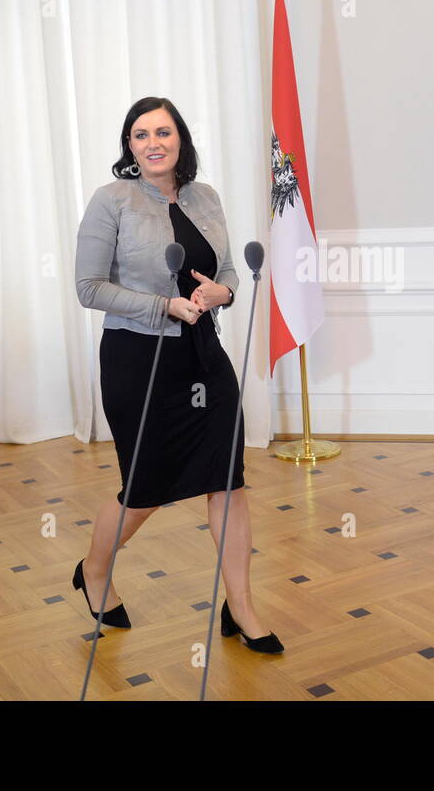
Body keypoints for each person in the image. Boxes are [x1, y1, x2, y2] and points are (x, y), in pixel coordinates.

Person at [71, 96, 282, 654]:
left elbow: (227, 267)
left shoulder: (204, 197)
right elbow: (88, 288)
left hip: (203, 356)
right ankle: (94, 571)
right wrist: (162, 307)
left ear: (180, 139)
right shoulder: (110, 200)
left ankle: (241, 606)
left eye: (163, 132)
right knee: (144, 490)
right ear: (130, 146)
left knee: (227, 480)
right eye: (140, 135)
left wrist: (224, 293)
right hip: (139, 360)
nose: (153, 143)